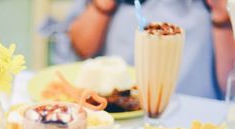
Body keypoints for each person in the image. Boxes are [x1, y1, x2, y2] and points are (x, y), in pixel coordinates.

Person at [46, 0, 235, 99]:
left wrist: (221, 15)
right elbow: (81, 48)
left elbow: (231, 85)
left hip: (196, 116)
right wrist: (103, 4)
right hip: (118, 110)